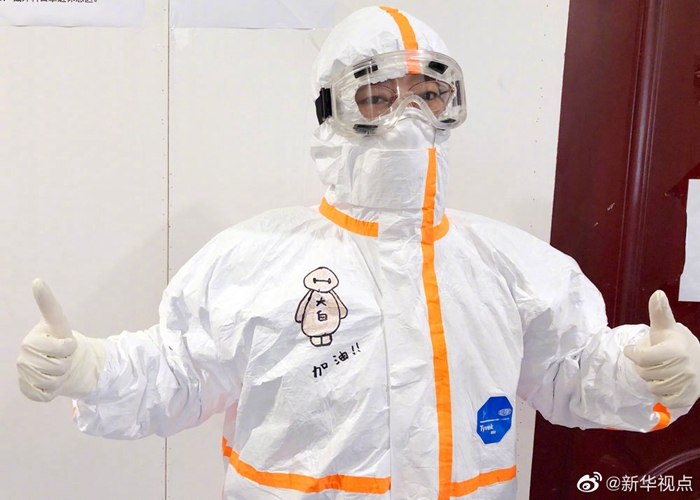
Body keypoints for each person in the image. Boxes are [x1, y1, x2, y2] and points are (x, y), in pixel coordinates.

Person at [15, 6, 700, 500]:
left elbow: (571, 371)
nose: (408, 117)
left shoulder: (510, 266)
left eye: (429, 95)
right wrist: (91, 369)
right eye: (377, 97)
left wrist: (647, 371)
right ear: (331, 113)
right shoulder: (255, 260)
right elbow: (179, 370)